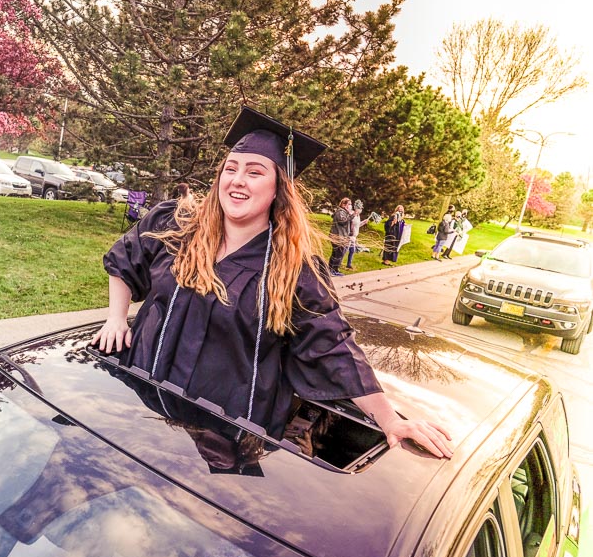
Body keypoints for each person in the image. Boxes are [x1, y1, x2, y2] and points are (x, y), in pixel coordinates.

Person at [91, 105, 452, 459]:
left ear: (279, 187)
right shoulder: (177, 225)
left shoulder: (293, 270)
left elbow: (333, 348)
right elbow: (124, 258)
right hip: (142, 411)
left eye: (255, 171)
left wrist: (389, 419)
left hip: (223, 435)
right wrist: (116, 318)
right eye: (230, 168)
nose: (237, 180)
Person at [329, 198, 356, 276]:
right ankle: (333, 270)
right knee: (338, 254)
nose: (351, 206)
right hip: (337, 237)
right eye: (349, 204)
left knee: (336, 254)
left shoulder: (344, 212)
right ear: (344, 204)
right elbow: (343, 222)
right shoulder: (340, 212)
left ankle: (332, 269)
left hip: (341, 237)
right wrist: (353, 215)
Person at [345, 199, 368, 270]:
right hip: (350, 235)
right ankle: (336, 264)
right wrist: (350, 233)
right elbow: (350, 223)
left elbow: (357, 225)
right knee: (344, 250)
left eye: (361, 209)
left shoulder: (358, 216)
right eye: (359, 208)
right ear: (356, 208)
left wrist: (363, 222)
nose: (360, 210)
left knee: (352, 250)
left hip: (354, 236)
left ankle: (349, 264)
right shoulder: (352, 213)